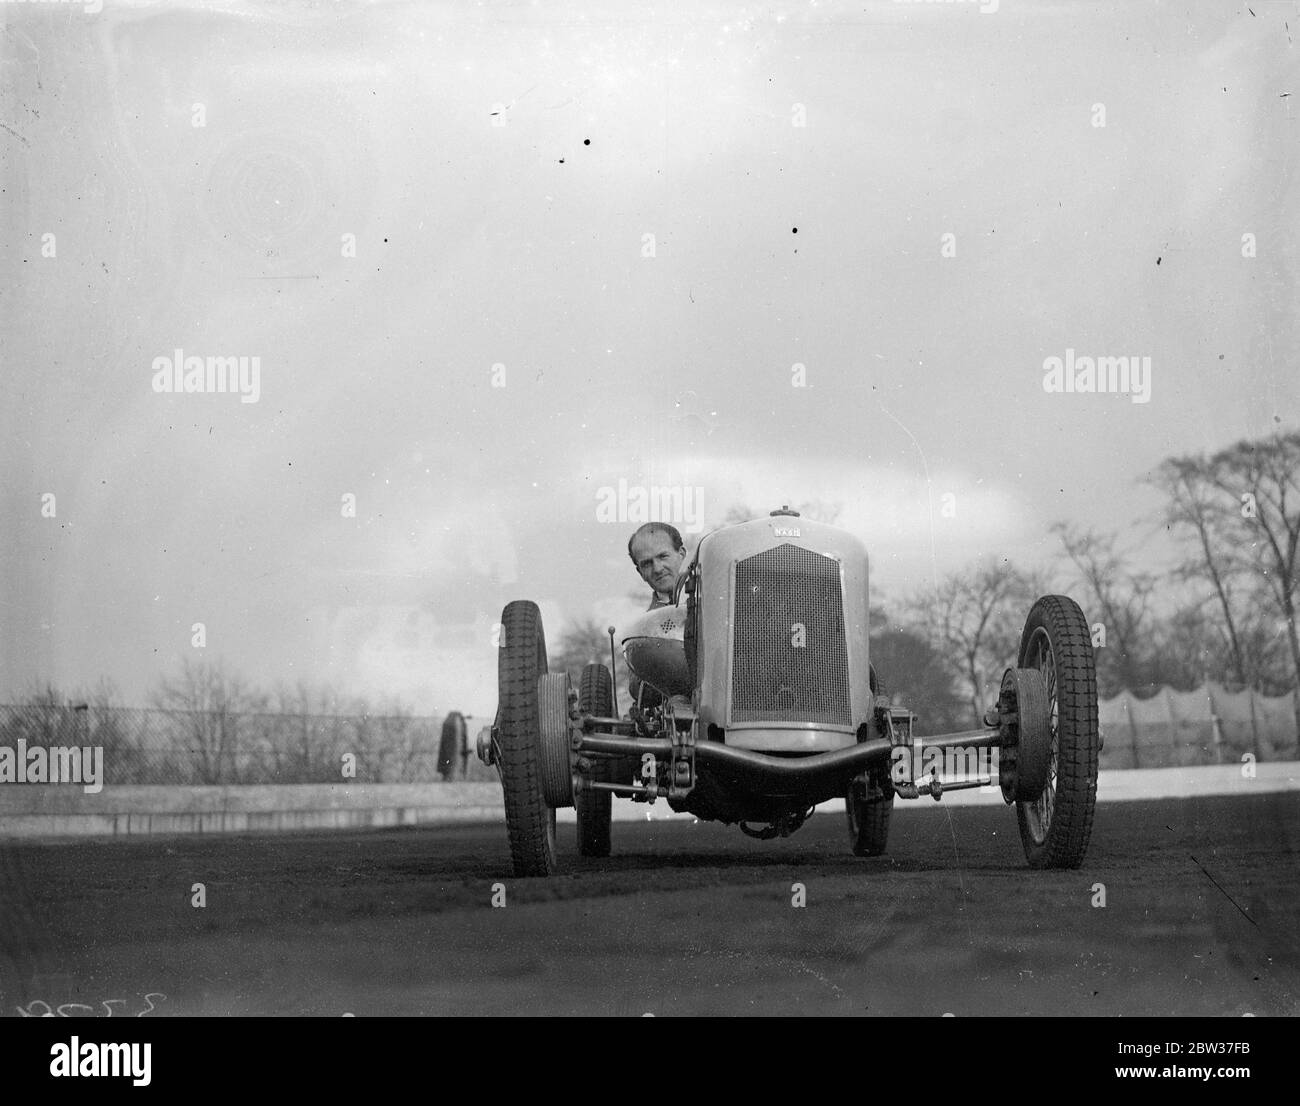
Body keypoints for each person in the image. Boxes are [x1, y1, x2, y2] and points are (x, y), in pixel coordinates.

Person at [627, 522, 688, 611]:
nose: (657, 569)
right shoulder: (647, 623)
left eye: (663, 556)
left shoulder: (711, 595)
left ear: (681, 554)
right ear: (640, 572)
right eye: (647, 564)